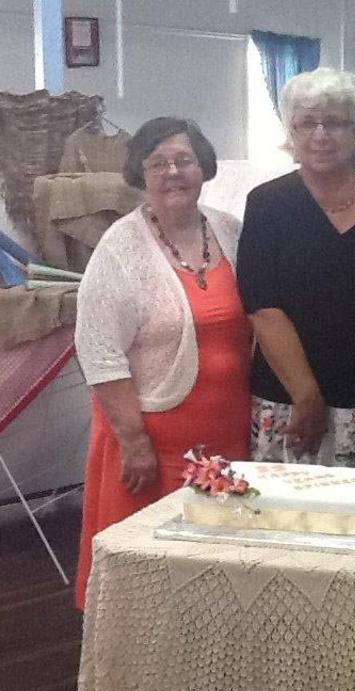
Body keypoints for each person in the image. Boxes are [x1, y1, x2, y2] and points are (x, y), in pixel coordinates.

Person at [74, 117, 250, 609]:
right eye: (158, 163)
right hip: (152, 448)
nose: (173, 172)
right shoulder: (120, 248)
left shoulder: (230, 231)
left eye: (184, 160)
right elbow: (99, 351)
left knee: (216, 572)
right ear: (140, 174)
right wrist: (133, 442)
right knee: (148, 582)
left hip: (228, 437)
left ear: (203, 167)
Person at [237, 68, 355, 467]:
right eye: (307, 123)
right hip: (291, 405)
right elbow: (262, 307)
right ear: (291, 134)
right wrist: (307, 396)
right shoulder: (267, 204)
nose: (320, 135)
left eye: (334, 122)